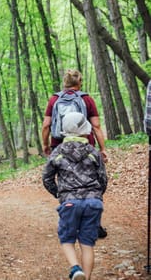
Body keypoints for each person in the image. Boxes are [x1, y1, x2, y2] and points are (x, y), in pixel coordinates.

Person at [41, 69, 108, 238]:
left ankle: (69, 219)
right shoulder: (86, 99)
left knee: (67, 181)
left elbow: (46, 125)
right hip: (85, 144)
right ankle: (93, 223)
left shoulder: (54, 99)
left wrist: (45, 145)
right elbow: (97, 126)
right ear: (80, 82)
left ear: (65, 82)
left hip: (60, 144)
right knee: (91, 181)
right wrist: (102, 149)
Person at [42, 112, 108, 280]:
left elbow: (47, 178)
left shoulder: (58, 152)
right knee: (87, 244)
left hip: (70, 202)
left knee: (67, 239)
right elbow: (102, 178)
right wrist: (96, 195)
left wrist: (59, 193)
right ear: (85, 130)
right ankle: (85, 277)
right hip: (93, 202)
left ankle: (75, 268)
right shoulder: (93, 151)